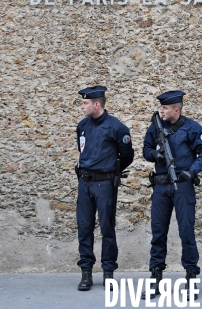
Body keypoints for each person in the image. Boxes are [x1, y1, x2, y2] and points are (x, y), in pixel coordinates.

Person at [142, 90, 202, 299]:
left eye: (165, 108)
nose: (161, 111)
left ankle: (191, 276)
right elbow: (146, 149)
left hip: (182, 185)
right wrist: (154, 154)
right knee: (158, 232)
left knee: (186, 232)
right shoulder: (155, 127)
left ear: (176, 109)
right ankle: (156, 277)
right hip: (161, 186)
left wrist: (192, 170)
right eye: (161, 107)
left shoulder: (192, 128)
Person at [75, 85, 134, 291]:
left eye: (85, 103)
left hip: (105, 184)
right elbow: (82, 151)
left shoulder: (117, 128)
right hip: (84, 183)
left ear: (96, 104)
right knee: (84, 227)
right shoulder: (82, 126)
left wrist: (111, 172)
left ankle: (108, 272)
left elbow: (127, 156)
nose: (82, 106)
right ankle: (86, 273)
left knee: (107, 227)